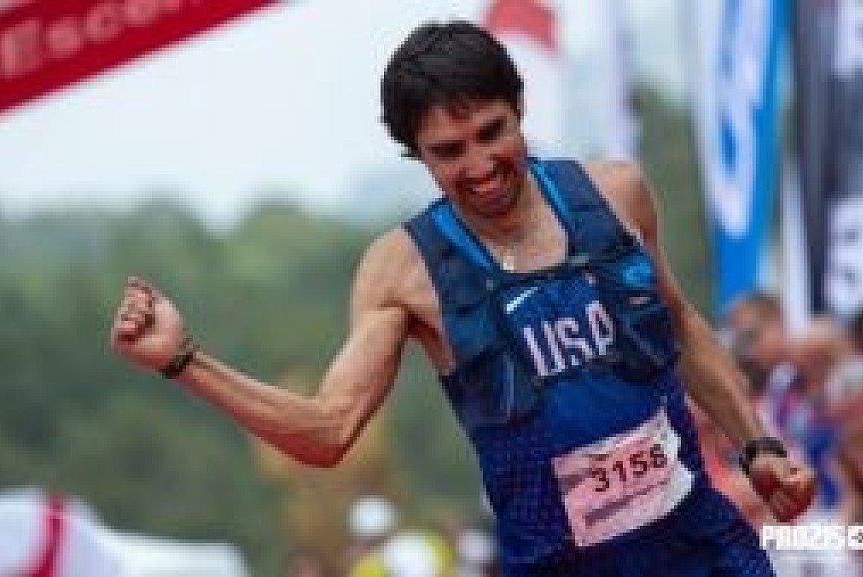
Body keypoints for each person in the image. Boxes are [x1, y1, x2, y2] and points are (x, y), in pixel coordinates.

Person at [110, 20, 813, 576]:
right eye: (449, 151)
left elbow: (681, 327)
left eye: (491, 133)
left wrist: (757, 444)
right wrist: (183, 360)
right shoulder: (403, 270)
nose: (481, 166)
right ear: (417, 154)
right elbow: (328, 430)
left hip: (702, 547)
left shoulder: (614, 193)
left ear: (519, 108)